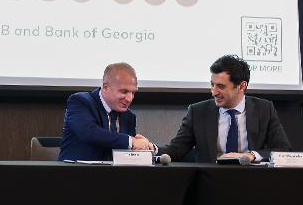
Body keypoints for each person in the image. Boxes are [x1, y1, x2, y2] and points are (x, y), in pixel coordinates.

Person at [157, 54, 292, 163]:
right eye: (212, 85)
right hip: (211, 181)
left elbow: (283, 149)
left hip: (251, 179)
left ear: (242, 86)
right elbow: (176, 151)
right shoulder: (198, 112)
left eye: (221, 86)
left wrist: (250, 156)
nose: (214, 92)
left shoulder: (264, 109)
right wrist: (153, 148)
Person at [58, 62, 153, 161]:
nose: (129, 99)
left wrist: (144, 147)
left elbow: (126, 154)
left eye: (133, 92)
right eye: (124, 91)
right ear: (105, 87)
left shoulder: (129, 116)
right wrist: (130, 141)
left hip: (114, 171)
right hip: (76, 169)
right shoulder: (80, 102)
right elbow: (89, 133)